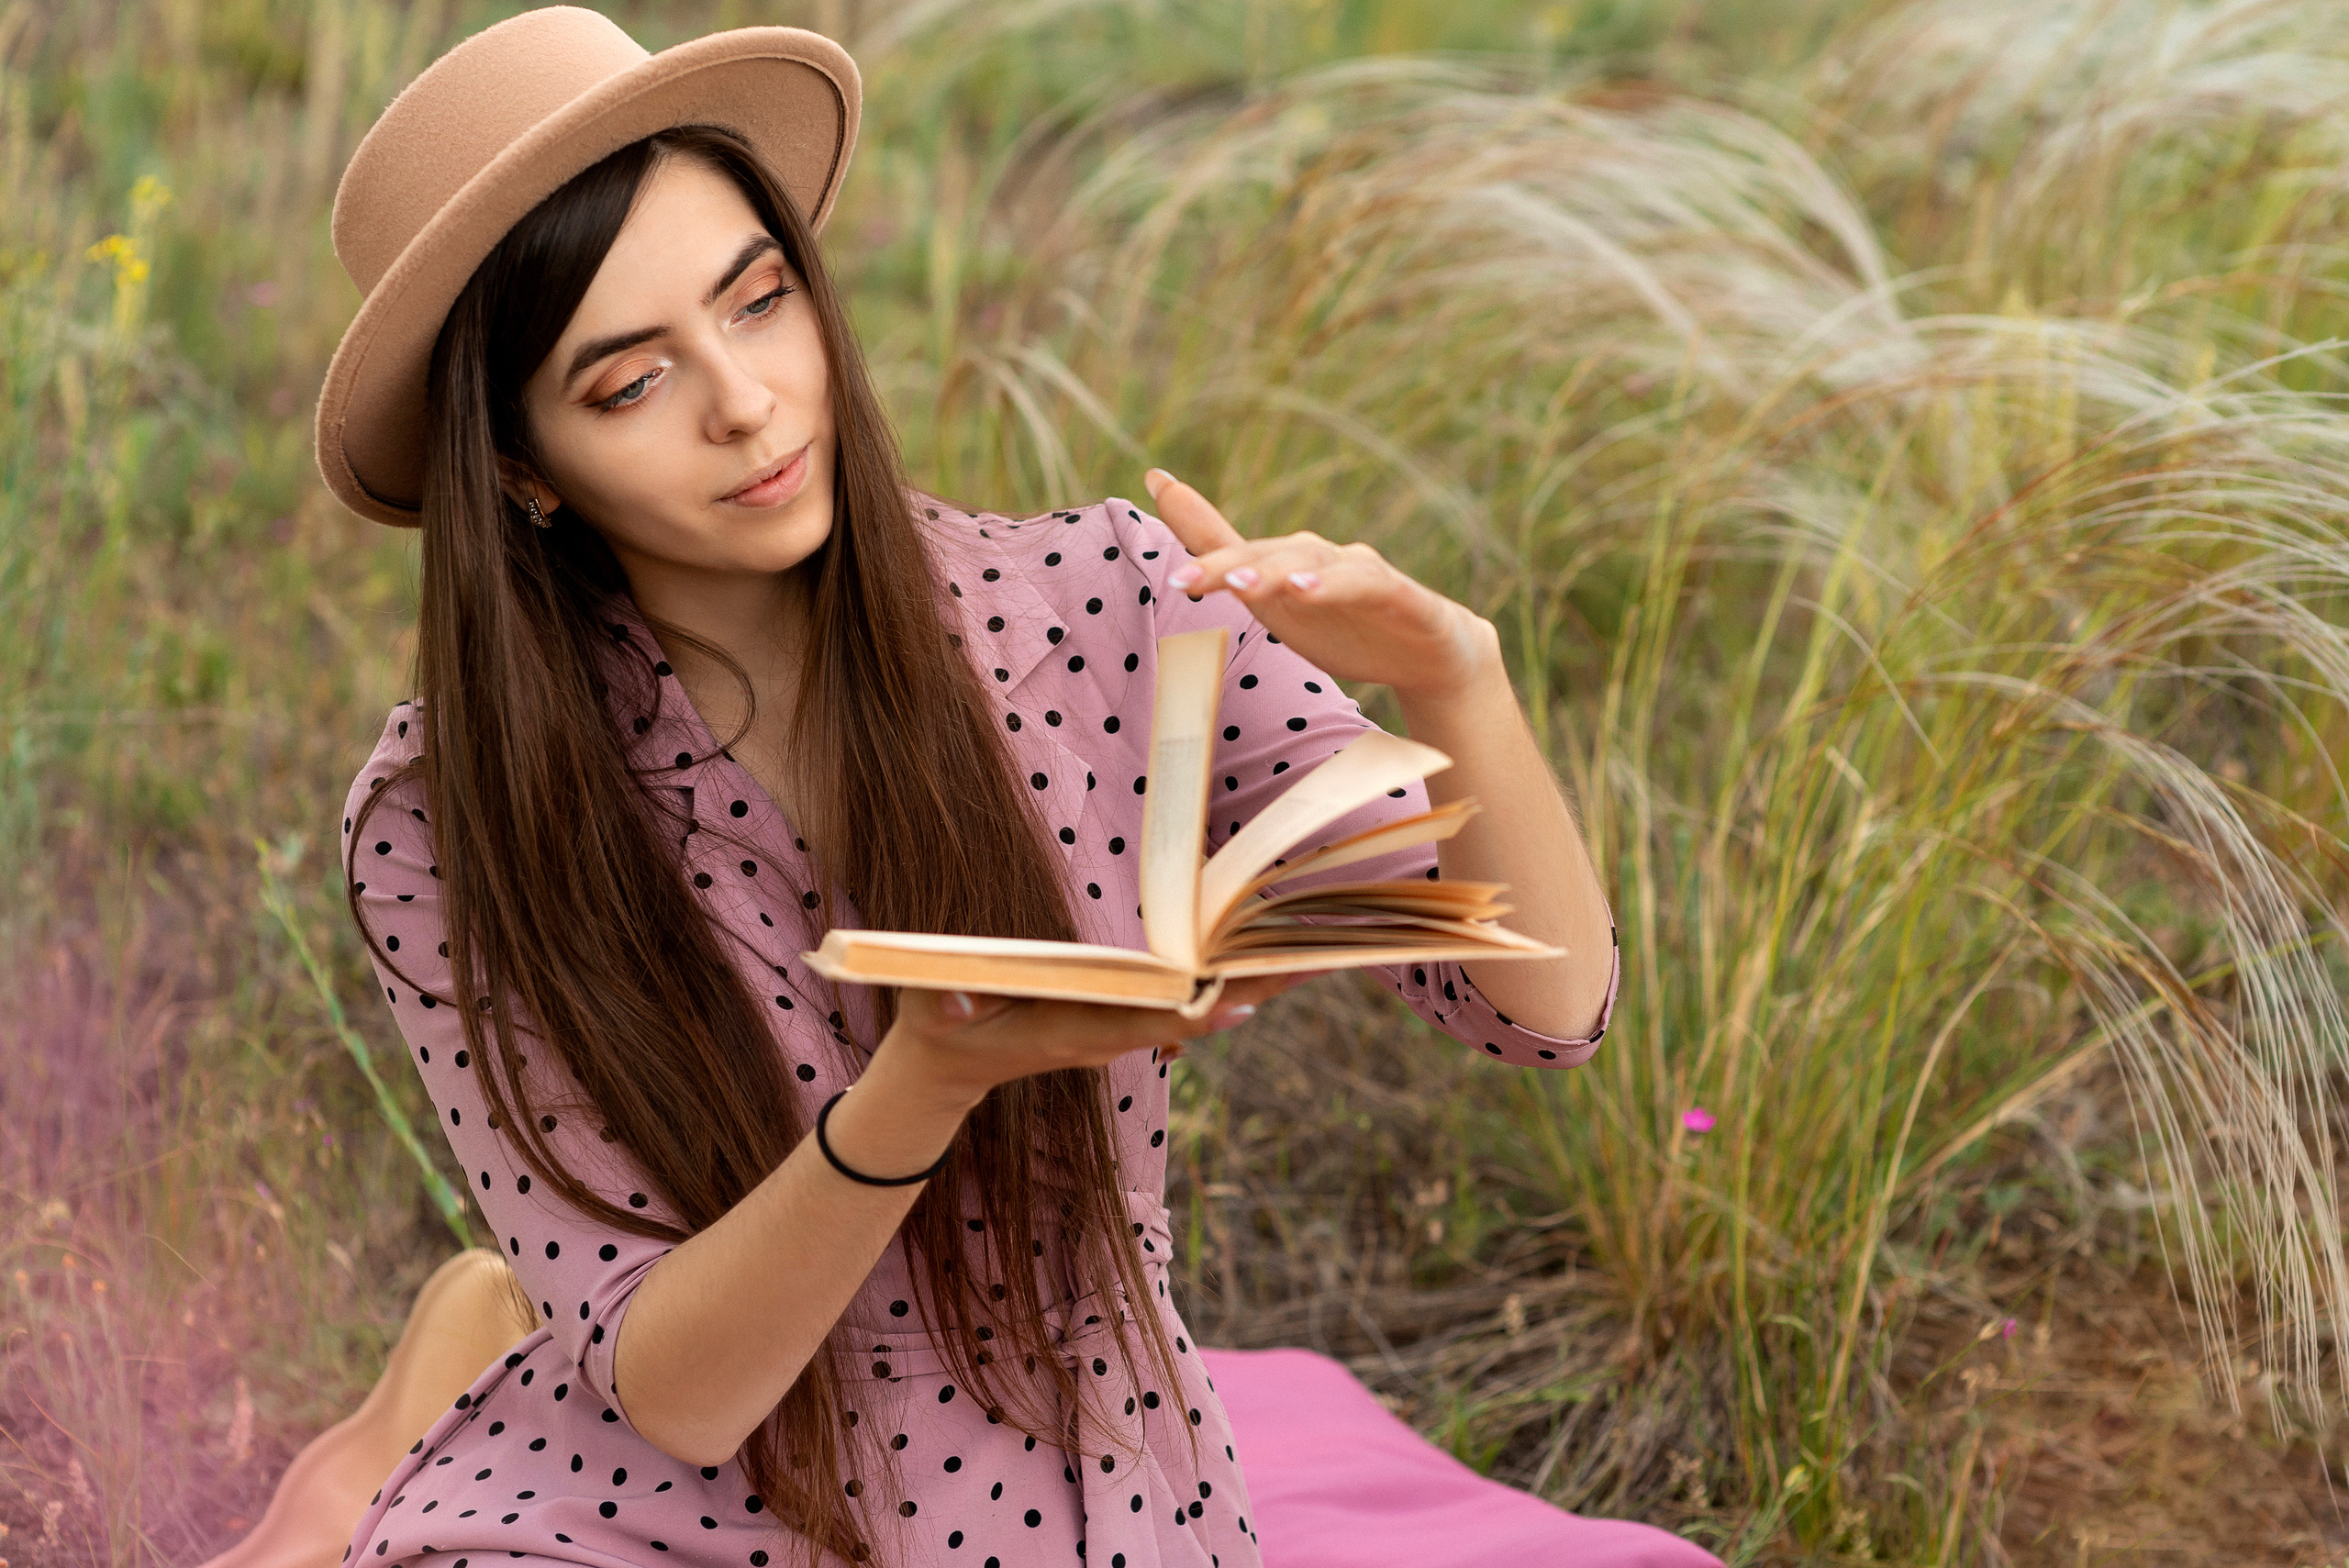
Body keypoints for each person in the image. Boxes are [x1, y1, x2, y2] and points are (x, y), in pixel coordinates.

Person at [263, 8, 1628, 1568]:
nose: (749, 402)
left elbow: (1542, 1006)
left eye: (759, 302)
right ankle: (480, 1343)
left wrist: (1461, 678)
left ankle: (476, 1316)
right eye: (633, 381)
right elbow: (681, 1397)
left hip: (1083, 1477)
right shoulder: (447, 815)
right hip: (650, 1498)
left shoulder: (1102, 601)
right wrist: (925, 1078)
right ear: (523, 466)